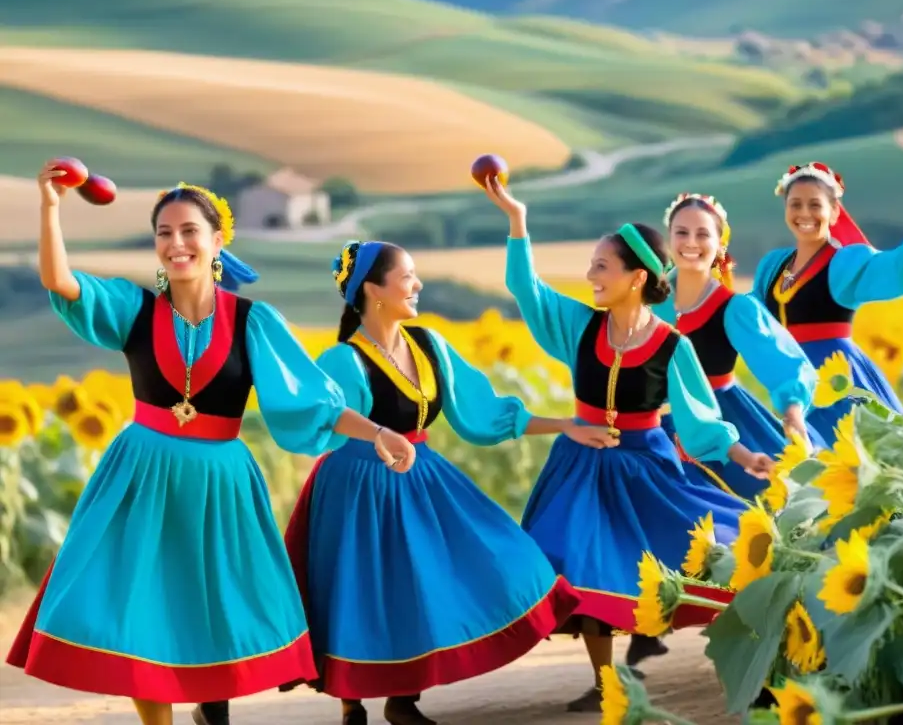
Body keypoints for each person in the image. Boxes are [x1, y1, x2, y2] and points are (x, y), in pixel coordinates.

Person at [6, 162, 415, 725]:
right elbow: (60, 282)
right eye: (164, 233)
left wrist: (378, 432)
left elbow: (310, 400)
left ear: (217, 240)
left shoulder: (253, 322)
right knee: (136, 606)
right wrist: (51, 206)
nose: (177, 244)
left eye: (189, 231)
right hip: (141, 475)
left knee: (215, 603)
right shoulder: (134, 310)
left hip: (221, 480)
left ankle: (211, 706)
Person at [275, 240, 611, 725]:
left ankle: (402, 699)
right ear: (373, 289)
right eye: (407, 275)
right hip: (356, 485)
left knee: (445, 574)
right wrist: (377, 435)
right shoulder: (343, 360)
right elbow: (324, 415)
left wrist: (564, 424)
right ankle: (353, 701)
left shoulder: (429, 347)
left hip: (419, 477)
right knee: (358, 586)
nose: (418, 284)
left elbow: (482, 413)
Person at [481, 179, 775, 713]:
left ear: (636, 277)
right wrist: (517, 221)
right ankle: (604, 681)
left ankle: (763, 657)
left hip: (646, 469)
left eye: (601, 267)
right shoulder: (580, 327)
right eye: (592, 265)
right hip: (580, 468)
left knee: (705, 559)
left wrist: (741, 456)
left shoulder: (671, 345)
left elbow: (701, 418)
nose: (590, 276)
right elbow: (527, 289)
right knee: (578, 564)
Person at [626, 192, 826, 673]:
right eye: (681, 233)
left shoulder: (732, 308)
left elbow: (782, 364)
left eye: (702, 234)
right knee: (655, 515)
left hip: (727, 417)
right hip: (662, 426)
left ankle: (774, 632)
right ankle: (650, 622)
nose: (691, 243)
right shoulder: (645, 302)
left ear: (720, 246)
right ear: (668, 241)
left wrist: (793, 412)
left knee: (755, 525)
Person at [753, 162, 903, 437]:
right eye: (795, 204)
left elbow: (901, 269)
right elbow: (748, 316)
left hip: (837, 382)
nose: (804, 213)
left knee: (858, 461)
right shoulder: (773, 265)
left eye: (815, 205)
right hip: (790, 385)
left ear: (834, 212)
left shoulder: (845, 263)